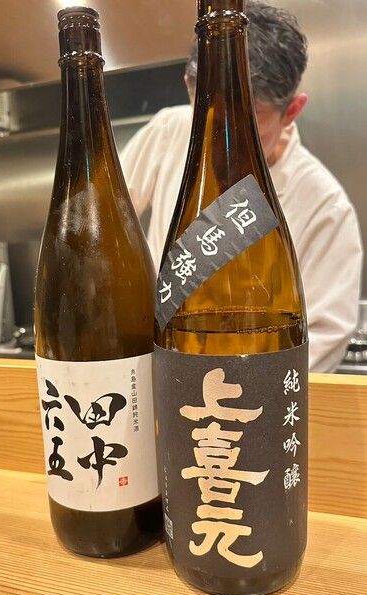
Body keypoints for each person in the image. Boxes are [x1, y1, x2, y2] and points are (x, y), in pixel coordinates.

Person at [120, 0, 363, 374]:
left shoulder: (325, 205)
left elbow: (322, 338)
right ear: (190, 85)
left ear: (292, 111)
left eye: (248, 113)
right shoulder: (169, 130)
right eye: (205, 103)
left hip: (249, 394)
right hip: (168, 376)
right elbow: (109, 218)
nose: (219, 128)